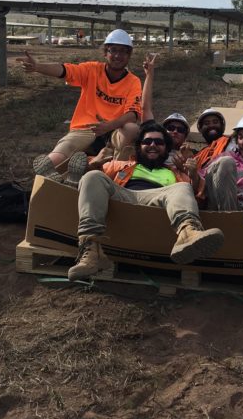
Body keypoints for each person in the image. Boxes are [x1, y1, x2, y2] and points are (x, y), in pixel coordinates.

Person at [67, 122, 224, 279]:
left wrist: (193, 175)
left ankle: (188, 233)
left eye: (159, 142)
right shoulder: (120, 165)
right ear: (139, 146)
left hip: (158, 201)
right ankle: (91, 250)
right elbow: (90, 186)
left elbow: (199, 200)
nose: (153, 145)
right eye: (147, 142)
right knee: (93, 176)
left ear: (167, 148)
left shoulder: (177, 173)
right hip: (124, 196)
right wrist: (95, 163)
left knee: (183, 187)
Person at [18, 28, 141, 181]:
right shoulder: (92, 70)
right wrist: (38, 67)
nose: (117, 55)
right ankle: (53, 173)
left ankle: (114, 172)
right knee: (59, 155)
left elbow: (133, 114)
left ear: (129, 55)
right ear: (105, 53)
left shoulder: (133, 81)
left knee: (131, 128)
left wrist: (109, 126)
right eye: (113, 50)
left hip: (114, 131)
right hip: (86, 128)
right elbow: (65, 70)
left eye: (123, 52)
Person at [193, 108, 235, 172]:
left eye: (215, 122)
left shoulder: (231, 143)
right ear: (200, 129)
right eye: (206, 123)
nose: (211, 125)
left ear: (222, 126)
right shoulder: (199, 155)